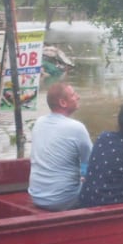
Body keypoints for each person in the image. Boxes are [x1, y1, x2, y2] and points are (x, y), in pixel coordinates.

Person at [28, 82, 93, 211]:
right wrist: (83, 175)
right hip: (63, 199)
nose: (78, 97)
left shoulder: (39, 122)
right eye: (73, 95)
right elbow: (92, 162)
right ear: (63, 103)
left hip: (36, 196)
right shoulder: (76, 128)